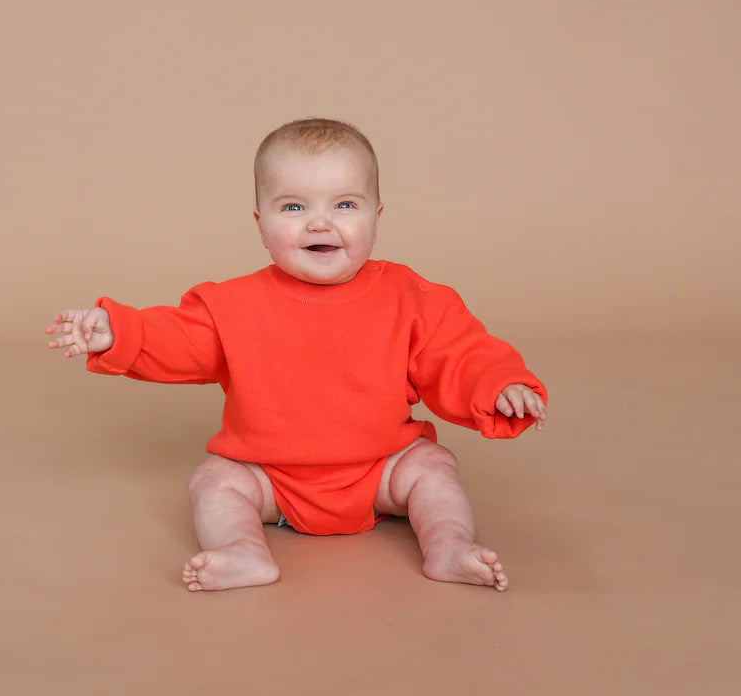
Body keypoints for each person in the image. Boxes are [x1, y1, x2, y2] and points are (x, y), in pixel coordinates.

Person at [46, 118, 547, 594]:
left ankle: (449, 544)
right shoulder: (231, 306)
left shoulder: (412, 299)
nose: (320, 223)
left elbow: (459, 352)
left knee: (434, 467)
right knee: (214, 481)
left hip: (380, 471)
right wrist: (118, 332)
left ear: (377, 214)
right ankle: (242, 550)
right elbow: (177, 338)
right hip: (272, 478)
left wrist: (499, 384)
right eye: (293, 208)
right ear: (261, 225)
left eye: (346, 205)